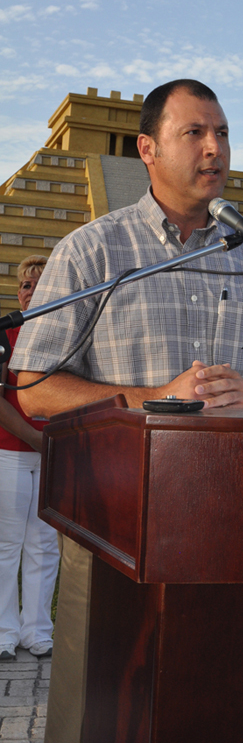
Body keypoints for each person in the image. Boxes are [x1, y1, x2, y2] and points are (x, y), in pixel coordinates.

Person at [11, 79, 243, 742]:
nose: (215, 148)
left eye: (224, 133)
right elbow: (33, 385)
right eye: (195, 133)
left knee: (217, 694)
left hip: (235, 523)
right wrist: (151, 401)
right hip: (116, 524)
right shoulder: (96, 251)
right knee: (103, 704)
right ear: (146, 149)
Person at [0, 256, 59, 662]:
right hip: (11, 453)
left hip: (55, 455)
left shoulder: (66, 334)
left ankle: (36, 631)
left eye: (40, 285)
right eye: (25, 286)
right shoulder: (5, 334)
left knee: (45, 544)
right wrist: (36, 439)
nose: (31, 291)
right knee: (6, 545)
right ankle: (3, 632)